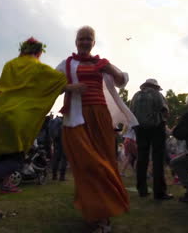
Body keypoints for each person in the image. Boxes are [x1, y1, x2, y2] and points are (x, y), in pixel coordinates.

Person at [0, 37, 69, 221]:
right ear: (39, 52)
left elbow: (2, 89)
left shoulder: (10, 65)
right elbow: (59, 82)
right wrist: (75, 86)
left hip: (1, 117)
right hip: (19, 119)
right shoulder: (38, 68)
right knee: (15, 161)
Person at [56, 26, 138, 233]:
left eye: (88, 39)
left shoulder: (101, 63)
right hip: (75, 117)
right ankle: (93, 209)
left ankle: (102, 215)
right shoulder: (67, 64)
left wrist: (109, 68)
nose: (84, 42)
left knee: (105, 163)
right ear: (76, 41)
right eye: (81, 38)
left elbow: (122, 82)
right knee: (86, 164)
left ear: (94, 42)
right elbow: (47, 85)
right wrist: (69, 87)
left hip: (100, 116)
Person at [130, 78, 172, 200]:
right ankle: (159, 192)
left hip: (140, 129)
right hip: (156, 129)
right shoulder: (157, 94)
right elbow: (164, 111)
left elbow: (130, 112)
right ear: (156, 87)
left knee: (142, 158)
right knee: (158, 159)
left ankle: (142, 190)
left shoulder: (136, 96)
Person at [50, 115, 67, 181]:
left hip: (56, 143)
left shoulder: (56, 124)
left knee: (56, 159)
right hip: (64, 144)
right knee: (64, 160)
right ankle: (62, 177)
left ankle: (54, 176)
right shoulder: (63, 124)